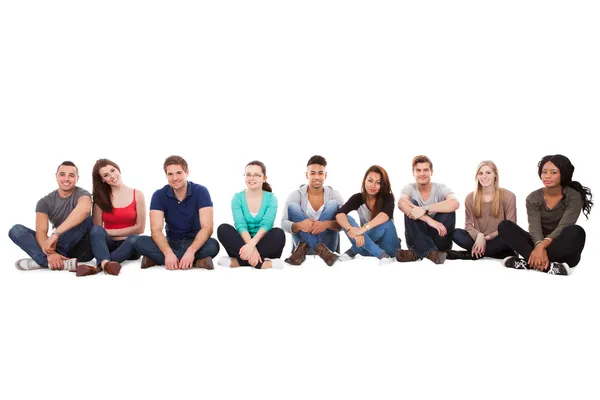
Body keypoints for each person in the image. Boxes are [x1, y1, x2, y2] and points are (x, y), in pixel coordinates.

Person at [498, 154, 592, 275]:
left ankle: (529, 262)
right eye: (544, 172)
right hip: (537, 243)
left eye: (553, 172)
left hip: (563, 248)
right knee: (504, 226)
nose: (547, 176)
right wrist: (539, 246)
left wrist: (541, 247)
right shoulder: (533, 198)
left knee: (576, 231)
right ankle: (549, 266)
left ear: (563, 174)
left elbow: (564, 226)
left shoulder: (574, 196)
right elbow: (534, 228)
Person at [135, 155, 220, 270]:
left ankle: (156, 259)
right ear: (166, 175)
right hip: (171, 242)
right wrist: (168, 253)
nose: (175, 178)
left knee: (213, 245)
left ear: (187, 172)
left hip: (195, 241)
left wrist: (191, 251)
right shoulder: (159, 195)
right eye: (170, 174)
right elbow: (156, 229)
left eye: (179, 173)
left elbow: (207, 227)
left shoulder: (201, 191)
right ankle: (197, 261)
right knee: (139, 242)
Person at [9, 161, 94, 273]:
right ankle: (56, 261)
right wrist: (51, 253)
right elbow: (41, 232)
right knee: (16, 230)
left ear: (77, 178)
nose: (66, 179)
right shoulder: (44, 202)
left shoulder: (83, 194)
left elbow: (85, 210)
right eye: (62, 174)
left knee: (88, 219)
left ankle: (42, 261)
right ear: (56, 176)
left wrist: (56, 234)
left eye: (71, 175)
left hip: (82, 250)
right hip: (57, 245)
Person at [78, 159, 146, 277]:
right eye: (106, 175)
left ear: (118, 169)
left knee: (135, 239)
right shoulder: (100, 199)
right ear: (102, 180)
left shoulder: (137, 194)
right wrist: (106, 233)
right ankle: (106, 264)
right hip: (109, 246)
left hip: (130, 245)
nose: (112, 176)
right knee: (95, 230)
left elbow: (140, 228)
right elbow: (97, 230)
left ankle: (97, 267)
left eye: (113, 170)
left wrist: (108, 232)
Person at [217, 161, 286, 269]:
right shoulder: (237, 198)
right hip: (242, 245)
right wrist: (250, 247)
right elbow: (241, 225)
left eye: (257, 175)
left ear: (264, 178)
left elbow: (266, 224)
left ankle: (238, 262)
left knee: (279, 233)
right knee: (223, 228)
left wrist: (251, 245)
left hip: (263, 244)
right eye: (248, 174)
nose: (251, 178)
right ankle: (264, 263)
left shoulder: (271, 198)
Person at [281, 155, 343, 266]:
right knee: (293, 207)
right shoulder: (296, 195)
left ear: (325, 175)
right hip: (303, 252)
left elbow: (344, 224)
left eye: (320, 173)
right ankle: (320, 250)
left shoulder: (334, 195)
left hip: (328, 247)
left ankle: (321, 249)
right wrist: (299, 225)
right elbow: (283, 223)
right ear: (307, 175)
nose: (317, 177)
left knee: (333, 205)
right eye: (312, 173)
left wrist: (327, 224)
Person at [396, 155, 459, 264]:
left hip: (440, 238)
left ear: (431, 172)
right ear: (413, 172)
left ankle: (416, 253)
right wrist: (429, 220)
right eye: (418, 170)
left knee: (448, 209)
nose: (422, 173)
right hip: (416, 238)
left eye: (426, 170)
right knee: (411, 205)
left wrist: (425, 208)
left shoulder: (440, 188)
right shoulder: (410, 188)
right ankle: (431, 252)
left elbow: (455, 203)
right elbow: (401, 203)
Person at [448, 161, 516, 260]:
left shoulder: (508, 196)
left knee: (509, 236)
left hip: (498, 238)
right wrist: (479, 236)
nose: (484, 177)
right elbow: (468, 225)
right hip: (477, 239)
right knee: (456, 233)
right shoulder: (470, 197)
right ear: (477, 176)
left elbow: (511, 226)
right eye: (480, 173)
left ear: (495, 175)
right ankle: (498, 253)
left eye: (488, 172)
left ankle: (468, 255)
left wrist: (487, 238)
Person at [335, 165, 399, 265]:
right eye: (370, 180)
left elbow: (385, 215)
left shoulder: (388, 197)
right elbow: (339, 214)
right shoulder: (358, 198)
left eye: (378, 183)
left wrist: (362, 229)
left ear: (383, 185)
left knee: (386, 223)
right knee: (346, 218)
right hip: (368, 246)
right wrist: (351, 230)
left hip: (388, 247)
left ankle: (354, 250)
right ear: (364, 181)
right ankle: (380, 254)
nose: (373, 185)